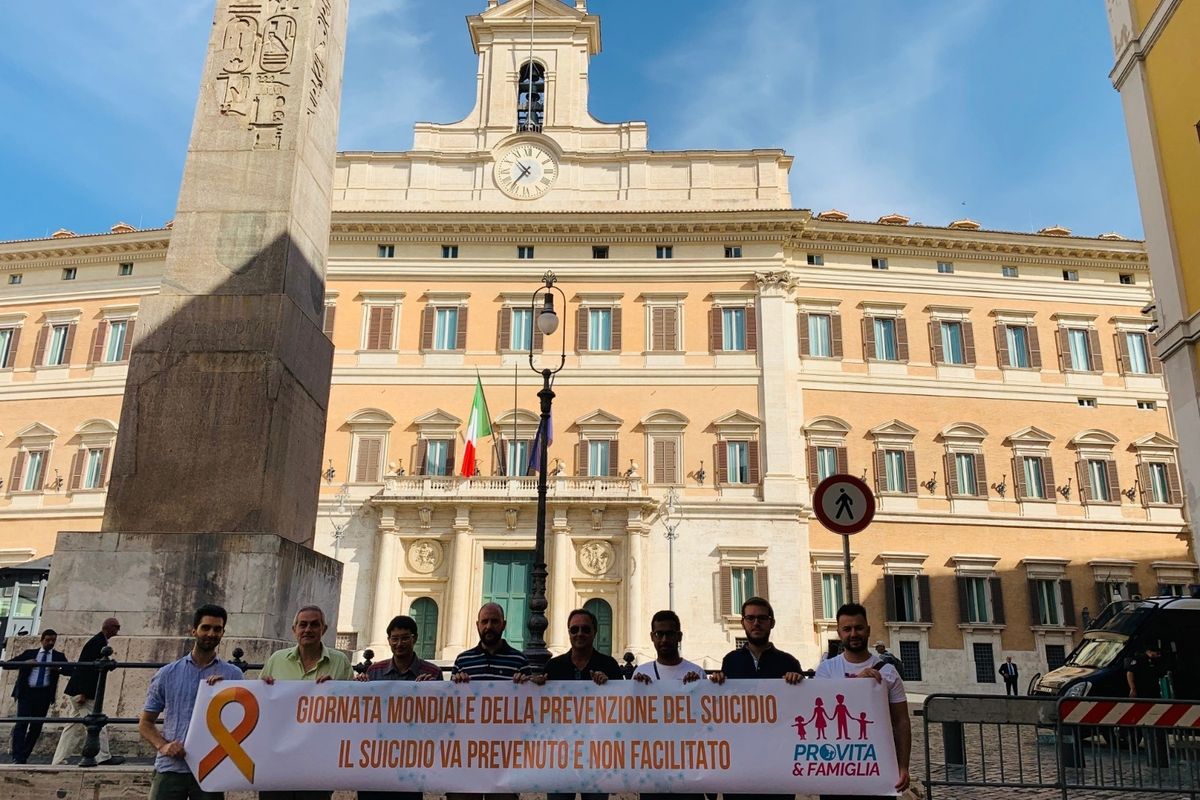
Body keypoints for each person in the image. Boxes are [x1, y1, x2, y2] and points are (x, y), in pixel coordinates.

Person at [138, 605, 244, 800]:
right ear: (194, 630)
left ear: (223, 633)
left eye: (217, 629)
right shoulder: (167, 673)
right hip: (170, 768)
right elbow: (145, 723)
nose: (211, 633)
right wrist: (163, 746)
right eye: (206, 627)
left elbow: (241, 722)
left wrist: (223, 695)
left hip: (210, 769)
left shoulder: (233, 675)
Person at [710, 597, 804, 800]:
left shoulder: (788, 662)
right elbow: (722, 708)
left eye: (762, 618)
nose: (756, 623)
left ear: (772, 622)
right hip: (739, 762)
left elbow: (801, 707)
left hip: (778, 762)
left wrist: (798, 682)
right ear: (743, 622)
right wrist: (717, 683)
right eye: (750, 618)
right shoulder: (730, 661)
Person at [814, 604, 910, 800]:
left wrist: (903, 766)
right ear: (839, 633)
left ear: (868, 630)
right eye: (847, 629)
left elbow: (901, 721)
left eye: (858, 628)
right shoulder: (825, 669)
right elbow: (822, 708)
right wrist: (857, 684)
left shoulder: (889, 672)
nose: (853, 633)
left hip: (877, 767)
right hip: (836, 768)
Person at [259, 605, 353, 800]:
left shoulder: (340, 662)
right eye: (302, 625)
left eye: (314, 625)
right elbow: (260, 705)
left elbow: (351, 711)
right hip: (278, 759)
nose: (308, 630)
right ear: (294, 630)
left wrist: (337, 692)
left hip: (318, 760)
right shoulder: (277, 660)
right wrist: (263, 689)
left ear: (324, 629)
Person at [448, 603, 532, 800]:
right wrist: (456, 685)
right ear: (477, 625)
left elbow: (529, 710)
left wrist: (526, 685)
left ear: (503, 625)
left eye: (494, 621)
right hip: (467, 754)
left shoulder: (519, 661)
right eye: (484, 621)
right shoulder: (462, 660)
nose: (489, 626)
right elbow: (450, 708)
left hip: (503, 757)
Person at [357, 614, 443, 800]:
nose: (399, 643)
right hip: (376, 757)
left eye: (405, 638)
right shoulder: (374, 671)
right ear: (388, 641)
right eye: (394, 639)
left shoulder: (432, 673)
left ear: (415, 638)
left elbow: (440, 718)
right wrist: (359, 689)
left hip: (411, 759)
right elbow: (362, 713)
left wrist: (431, 692)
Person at [545, 608, 624, 800]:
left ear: (595, 632)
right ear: (569, 632)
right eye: (574, 629)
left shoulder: (609, 665)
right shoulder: (553, 667)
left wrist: (609, 686)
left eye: (585, 629)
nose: (579, 633)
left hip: (596, 757)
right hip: (560, 757)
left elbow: (623, 707)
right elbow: (541, 711)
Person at [632, 610, 704, 800]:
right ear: (652, 637)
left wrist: (697, 690)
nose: (664, 639)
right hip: (653, 770)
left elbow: (707, 720)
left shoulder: (697, 672)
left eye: (669, 634)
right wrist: (638, 692)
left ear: (679, 636)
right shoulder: (640, 672)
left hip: (688, 769)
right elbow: (631, 718)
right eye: (659, 634)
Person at [53, 617, 124, 766]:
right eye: (116, 627)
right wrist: (83, 693)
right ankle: (103, 756)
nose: (118, 630)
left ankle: (59, 759)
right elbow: (85, 668)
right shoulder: (97, 643)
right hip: (82, 693)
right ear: (108, 627)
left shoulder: (99, 642)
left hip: (79, 691)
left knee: (72, 727)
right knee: (97, 724)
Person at [6, 629, 68, 764]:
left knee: (36, 727)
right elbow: (7, 665)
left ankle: (24, 755)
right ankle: (17, 756)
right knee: (21, 724)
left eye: (53, 640)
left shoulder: (58, 656)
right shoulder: (30, 653)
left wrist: (58, 669)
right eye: (48, 640)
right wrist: (25, 663)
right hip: (26, 693)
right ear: (42, 640)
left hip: (43, 695)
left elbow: (70, 670)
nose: (50, 643)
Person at [1125, 644, 1170, 766]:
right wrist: (1133, 689)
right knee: (1139, 720)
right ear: (1150, 651)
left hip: (1153, 693)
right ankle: (1134, 745)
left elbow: (1160, 675)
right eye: (1157, 653)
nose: (1158, 656)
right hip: (1142, 693)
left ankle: (1152, 746)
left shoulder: (1155, 662)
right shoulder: (1139, 659)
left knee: (1153, 720)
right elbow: (1130, 673)